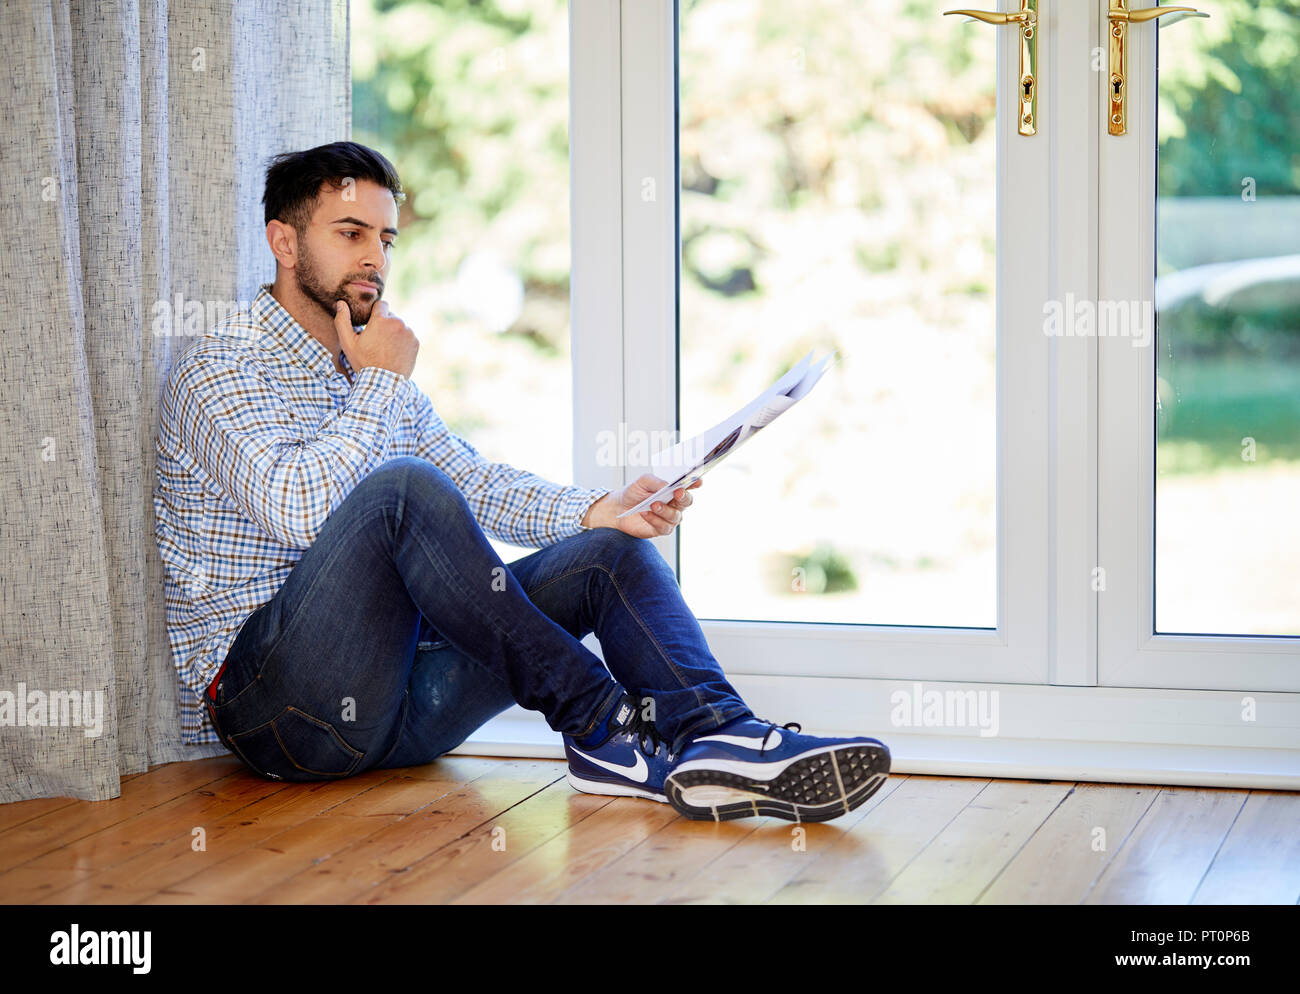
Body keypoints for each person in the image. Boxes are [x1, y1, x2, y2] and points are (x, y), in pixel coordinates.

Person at [153, 141, 890, 823]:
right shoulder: (219, 369)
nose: (375, 257)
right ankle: (604, 725)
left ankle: (721, 737)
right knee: (402, 490)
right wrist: (378, 384)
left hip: (396, 712)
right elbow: (302, 513)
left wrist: (604, 509)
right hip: (279, 720)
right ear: (285, 242)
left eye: (386, 238)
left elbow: (474, 484)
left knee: (609, 553)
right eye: (351, 233)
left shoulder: (378, 379)